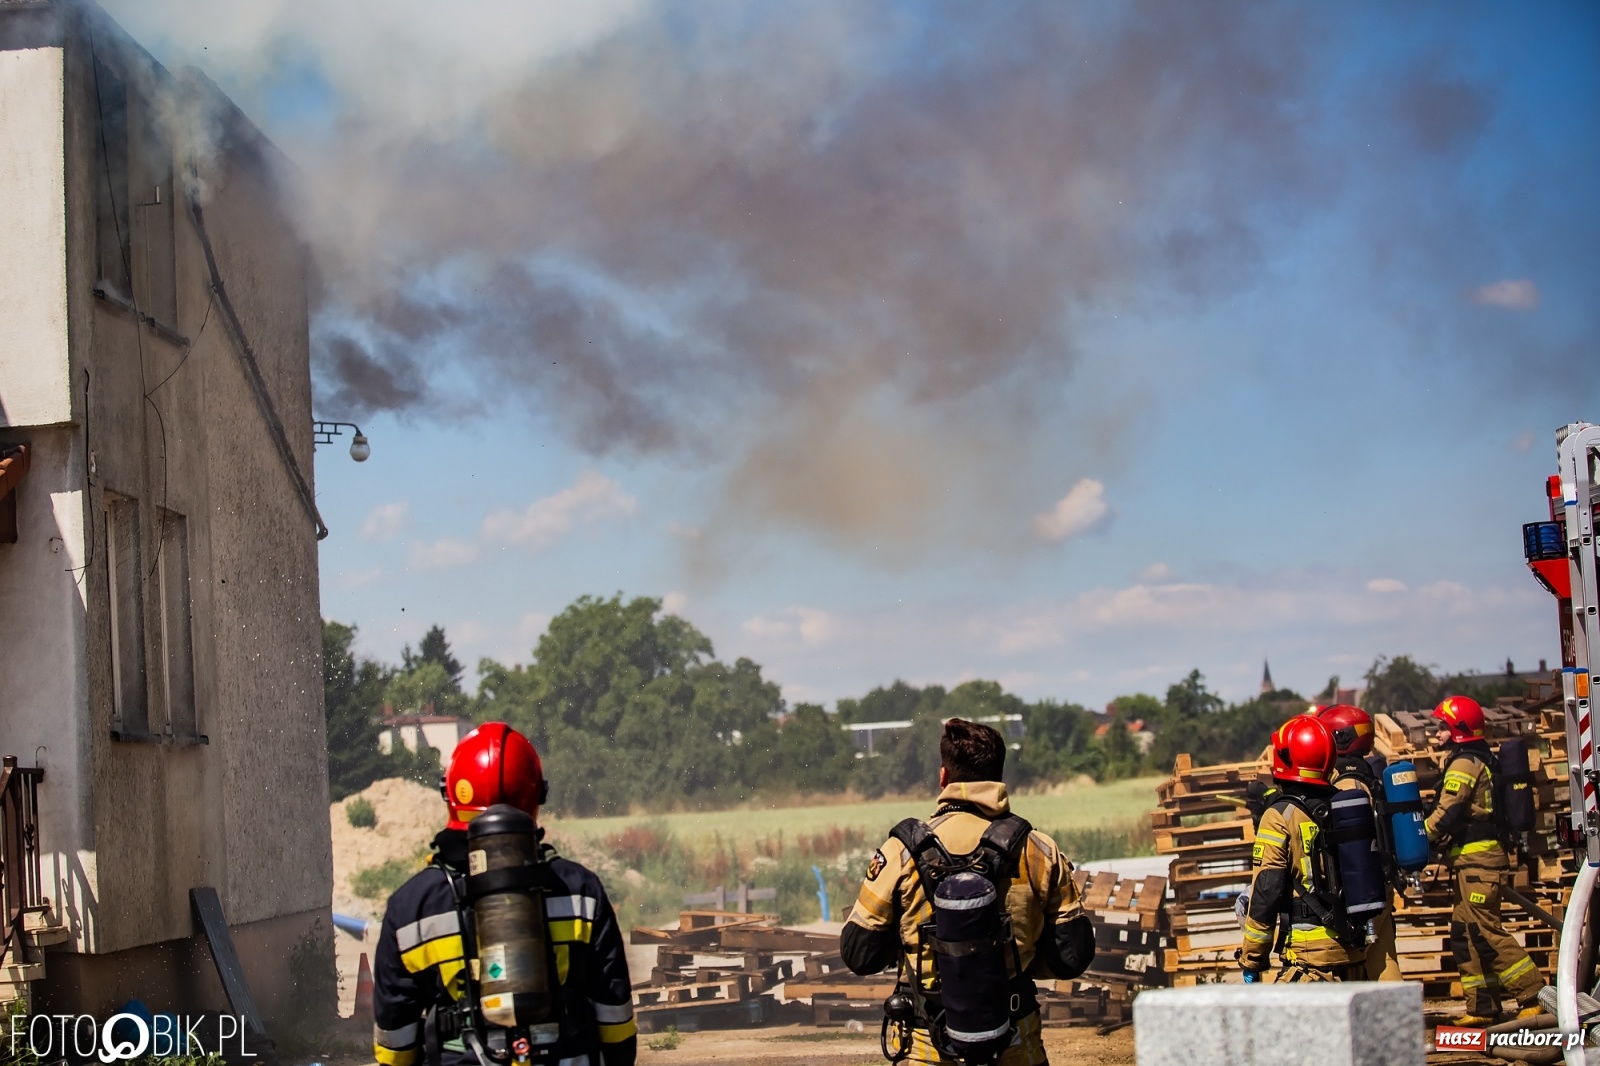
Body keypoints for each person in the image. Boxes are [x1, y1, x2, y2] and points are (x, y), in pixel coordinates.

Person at [371, 723, 637, 1066]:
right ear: (536, 796)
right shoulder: (581, 892)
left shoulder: (411, 907)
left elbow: (396, 1045)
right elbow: (614, 1021)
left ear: (450, 794)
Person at [839, 718, 1094, 1066]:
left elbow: (859, 954)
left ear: (943, 777)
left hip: (926, 1048)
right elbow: (1073, 955)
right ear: (1000, 776)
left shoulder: (900, 852)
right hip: (1017, 1046)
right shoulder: (1039, 850)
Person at [1425, 696, 1547, 1025]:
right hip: (1469, 862)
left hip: (1480, 861)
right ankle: (1481, 1006)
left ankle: (1533, 993)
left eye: (1442, 726)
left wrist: (1421, 835)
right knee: (1465, 933)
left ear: (1458, 729)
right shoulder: (1472, 758)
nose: (1436, 732)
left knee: (1485, 929)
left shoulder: (1464, 763)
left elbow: (1449, 811)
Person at [1239, 714, 1370, 983]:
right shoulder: (1346, 807)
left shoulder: (1279, 816)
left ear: (1286, 759)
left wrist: (1252, 958)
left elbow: (1266, 892)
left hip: (1310, 962)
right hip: (1355, 955)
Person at [1314, 704, 1402, 981]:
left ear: (1339, 738)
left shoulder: (1346, 783)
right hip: (1378, 880)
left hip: (1360, 887)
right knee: (1383, 958)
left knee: (1360, 958)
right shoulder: (1367, 775)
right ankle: (1398, 1020)